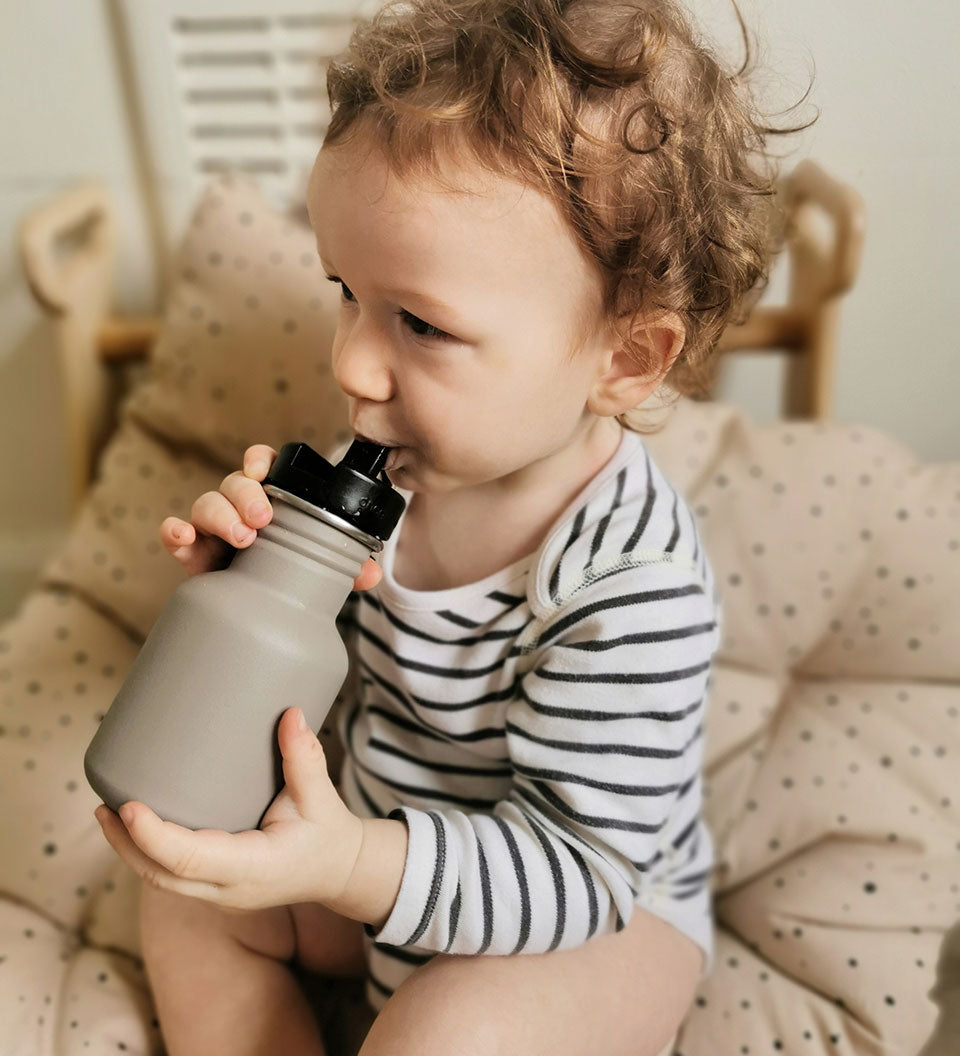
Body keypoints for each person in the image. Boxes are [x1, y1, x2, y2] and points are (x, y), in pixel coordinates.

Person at [94, 1, 813, 1053]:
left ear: (624, 360)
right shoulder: (384, 469)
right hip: (376, 853)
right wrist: (238, 580)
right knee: (186, 887)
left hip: (587, 915)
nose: (349, 363)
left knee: (447, 1036)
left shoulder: (630, 586)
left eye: (421, 324)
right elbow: (285, 676)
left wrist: (346, 867)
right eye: (347, 292)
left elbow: (578, 872)